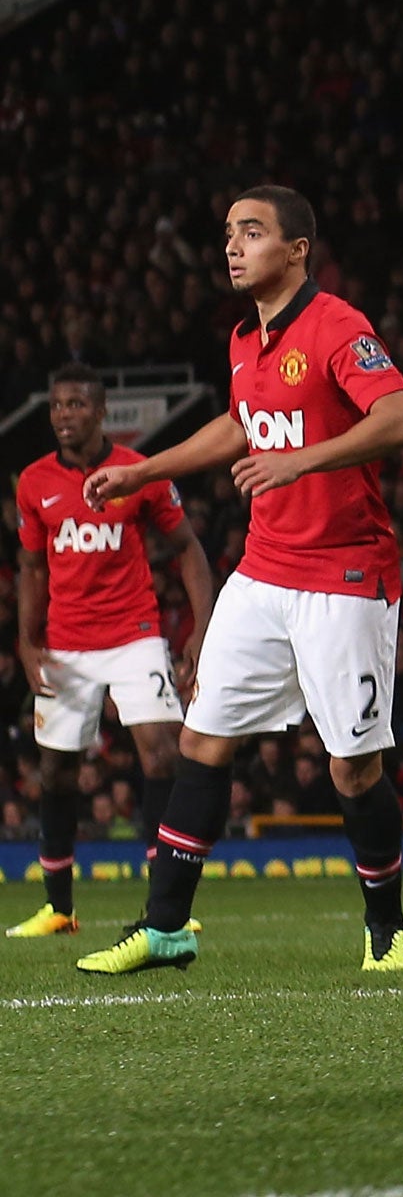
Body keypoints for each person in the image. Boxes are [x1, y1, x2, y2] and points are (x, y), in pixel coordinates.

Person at [74, 186, 403, 975]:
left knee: (352, 767)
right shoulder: (243, 338)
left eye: (253, 232)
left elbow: (399, 419)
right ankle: (166, 927)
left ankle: (387, 932)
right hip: (264, 570)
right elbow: (241, 423)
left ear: (297, 250)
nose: (233, 245)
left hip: (345, 573)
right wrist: (143, 471)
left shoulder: (337, 325)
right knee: (202, 741)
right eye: (229, 232)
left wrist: (297, 461)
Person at [7, 364, 215, 939]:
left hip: (133, 634)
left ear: (101, 412)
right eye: (55, 405)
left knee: (162, 755)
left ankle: (167, 903)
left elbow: (188, 548)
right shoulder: (33, 483)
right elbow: (29, 567)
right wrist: (27, 642)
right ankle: (58, 909)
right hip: (66, 645)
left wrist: (202, 627)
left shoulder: (138, 472)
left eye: (75, 405)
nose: (62, 416)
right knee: (56, 771)